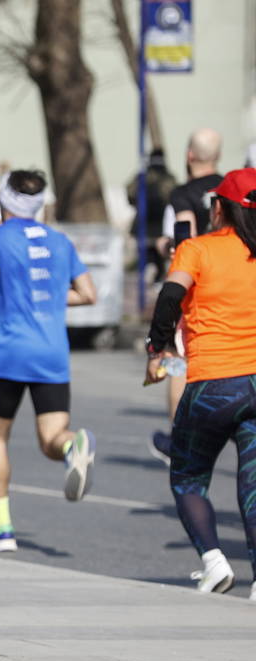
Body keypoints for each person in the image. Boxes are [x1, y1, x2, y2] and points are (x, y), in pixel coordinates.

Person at [0, 169, 97, 553]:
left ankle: (2, 530)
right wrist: (46, 298)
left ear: (4, 199)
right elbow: (87, 294)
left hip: (8, 352)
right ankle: (73, 448)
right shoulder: (59, 241)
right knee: (52, 439)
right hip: (52, 351)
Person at [144, 168, 256, 597]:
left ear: (218, 208)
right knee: (252, 485)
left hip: (215, 383)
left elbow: (170, 296)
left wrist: (159, 349)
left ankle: (212, 561)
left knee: (188, 477)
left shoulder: (196, 249)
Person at [149, 129, 225, 464]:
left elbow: (186, 238)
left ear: (189, 155)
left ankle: (178, 438)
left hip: (196, 283)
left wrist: (162, 245)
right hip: (234, 279)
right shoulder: (230, 187)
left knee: (178, 360)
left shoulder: (182, 194)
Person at [126, 148, 177, 280]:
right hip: (162, 225)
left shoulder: (141, 177)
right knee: (160, 259)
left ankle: (148, 275)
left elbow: (130, 194)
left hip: (143, 224)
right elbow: (176, 198)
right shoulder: (169, 178)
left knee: (146, 257)